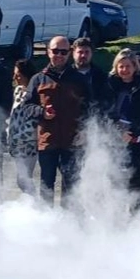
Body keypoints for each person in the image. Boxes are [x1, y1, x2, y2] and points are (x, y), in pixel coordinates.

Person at [28, 35, 90, 204]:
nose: (59, 55)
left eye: (63, 52)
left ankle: (69, 217)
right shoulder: (38, 79)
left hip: (73, 142)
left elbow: (90, 107)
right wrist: (41, 112)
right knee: (46, 184)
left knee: (71, 185)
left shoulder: (79, 79)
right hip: (47, 141)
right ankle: (46, 216)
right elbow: (26, 107)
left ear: (69, 53)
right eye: (55, 51)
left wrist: (85, 129)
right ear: (48, 52)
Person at [107, 48, 140, 190]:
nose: (124, 70)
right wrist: (117, 130)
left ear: (135, 66)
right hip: (112, 137)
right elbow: (104, 110)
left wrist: (134, 132)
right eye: (121, 66)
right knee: (112, 177)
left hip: (136, 139)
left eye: (128, 66)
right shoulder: (109, 84)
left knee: (134, 179)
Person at [6, 60, 42, 195]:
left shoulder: (35, 91)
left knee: (23, 179)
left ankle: (34, 202)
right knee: (22, 179)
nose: (15, 77)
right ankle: (30, 201)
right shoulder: (18, 91)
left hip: (28, 143)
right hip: (15, 141)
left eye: (18, 75)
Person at [71, 37, 110, 116]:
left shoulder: (101, 76)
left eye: (87, 52)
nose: (83, 55)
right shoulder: (66, 75)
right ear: (73, 53)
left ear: (91, 53)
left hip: (95, 118)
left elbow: (107, 99)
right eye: (80, 52)